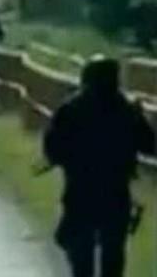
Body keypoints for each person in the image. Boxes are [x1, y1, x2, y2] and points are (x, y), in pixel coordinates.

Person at [44, 56, 156, 277]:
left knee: (80, 252)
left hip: (79, 190)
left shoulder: (71, 108)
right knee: (113, 253)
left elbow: (52, 148)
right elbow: (149, 145)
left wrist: (70, 161)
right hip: (115, 191)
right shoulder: (126, 110)